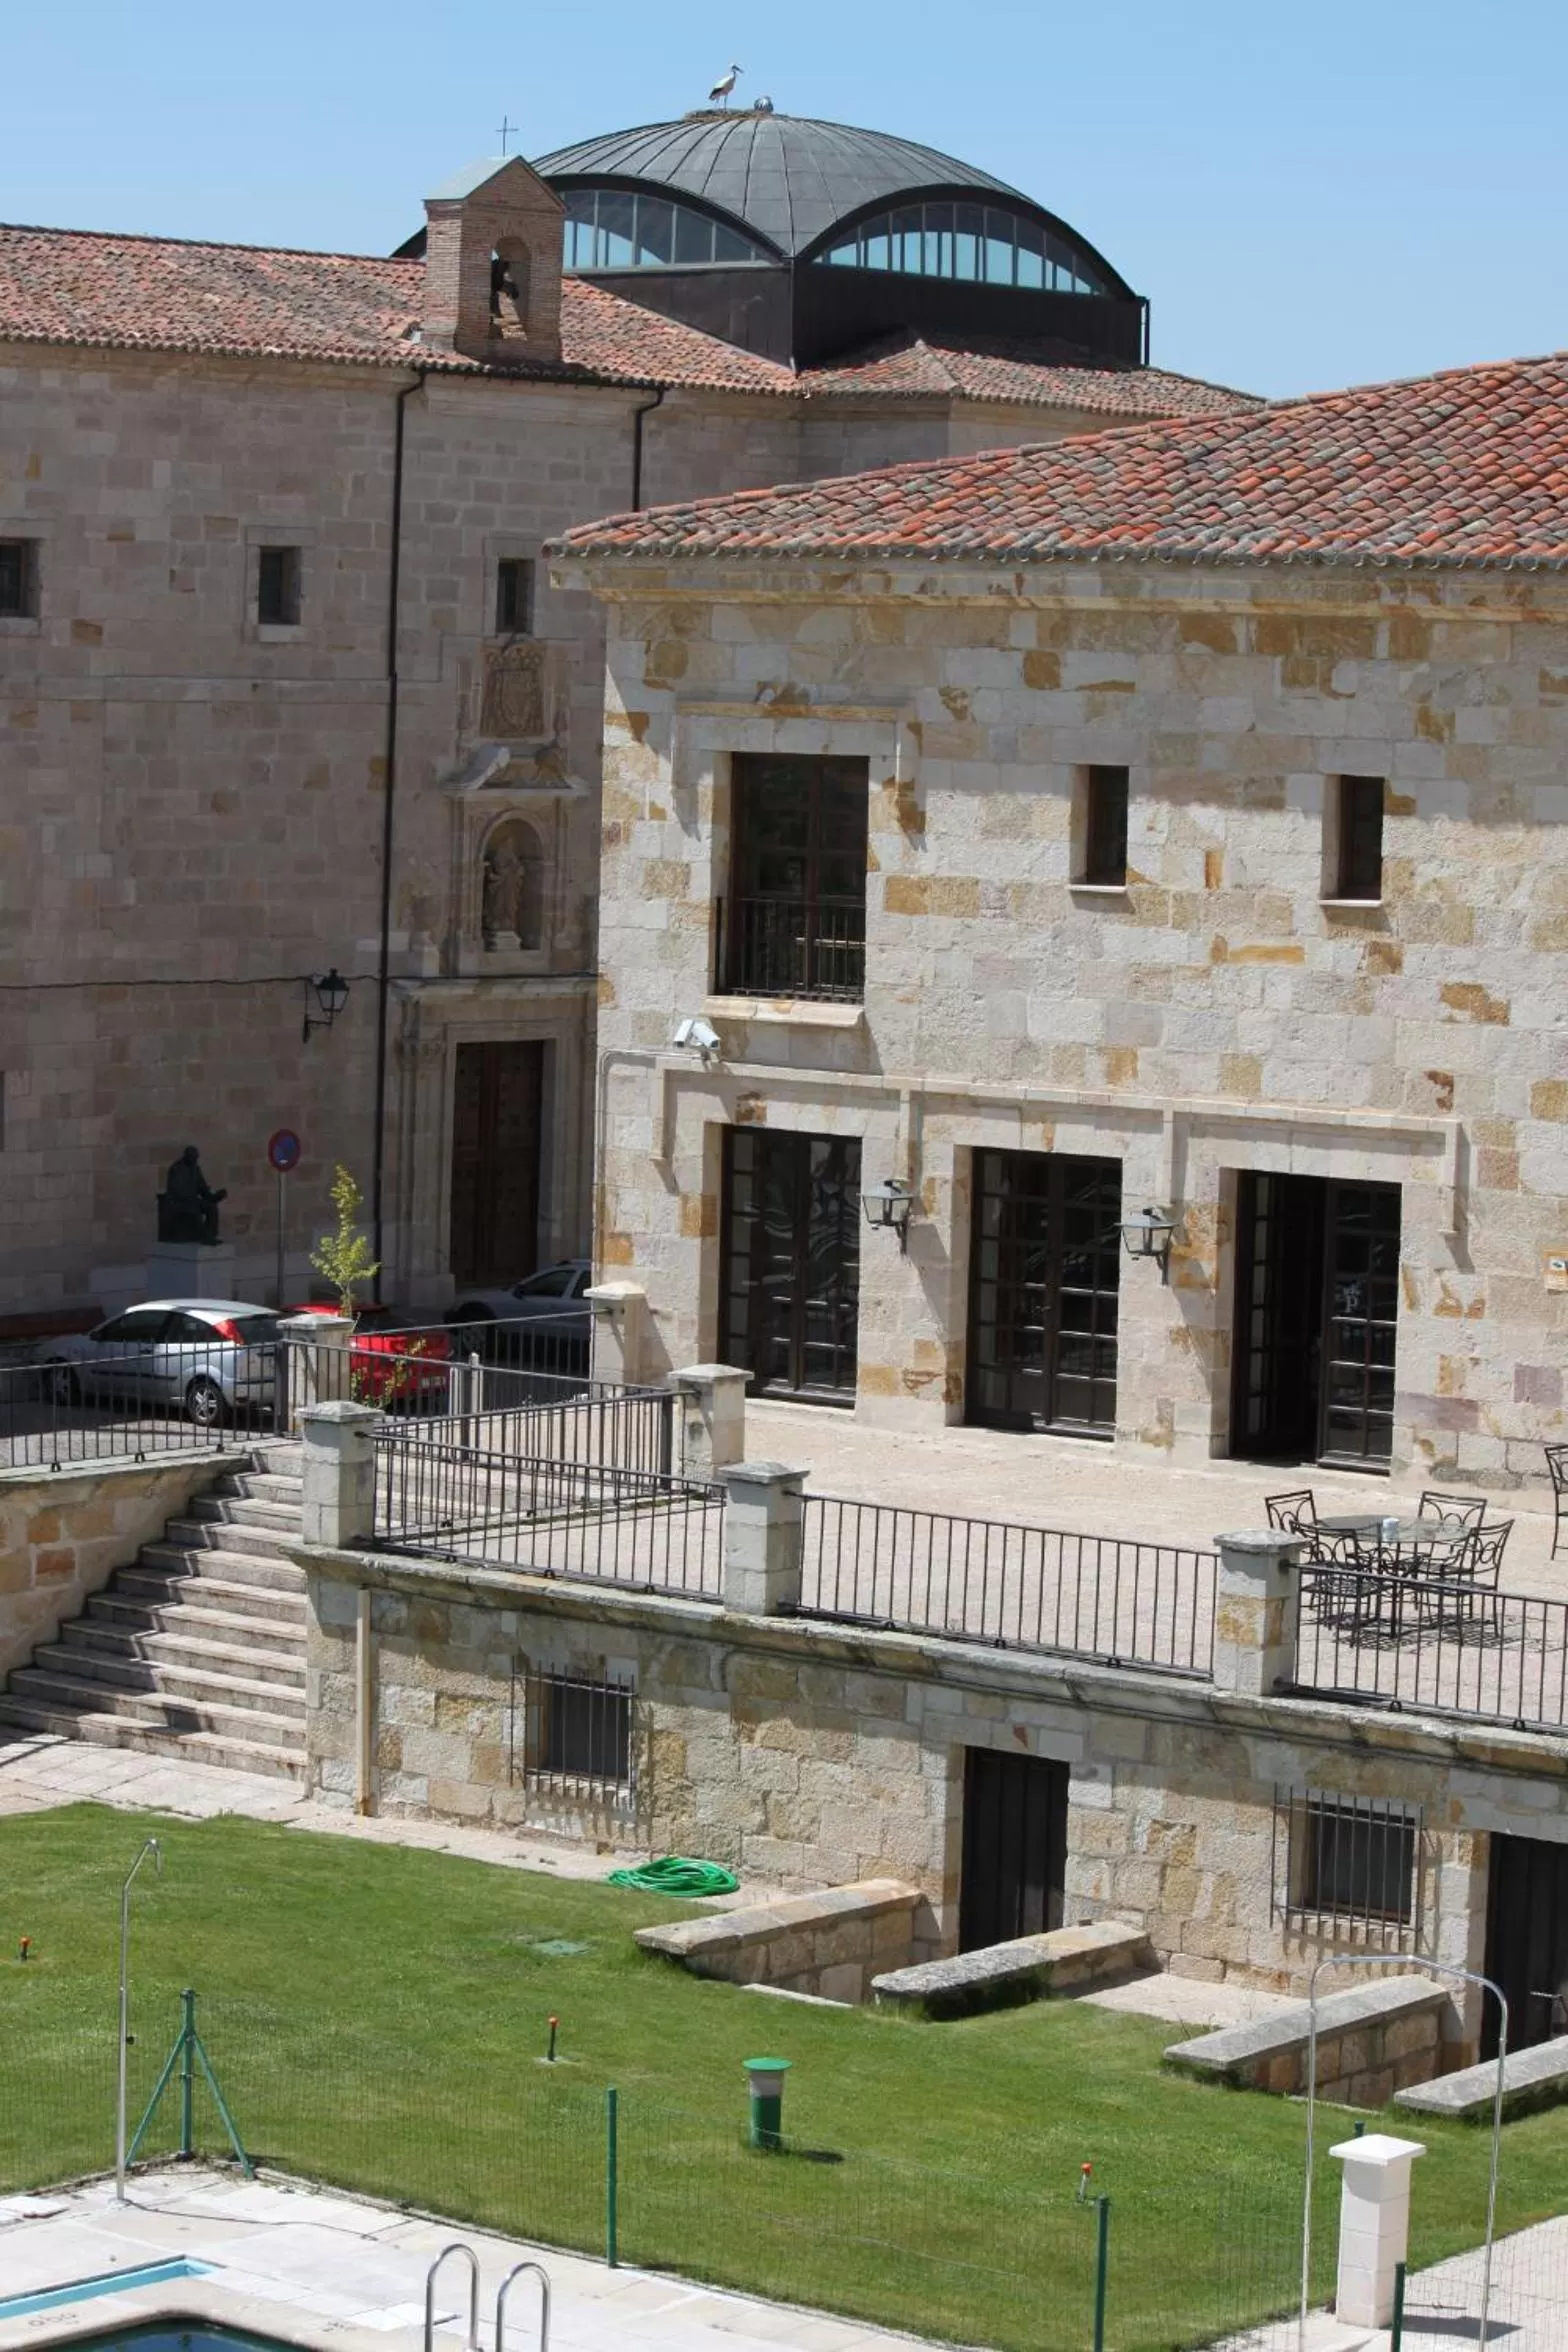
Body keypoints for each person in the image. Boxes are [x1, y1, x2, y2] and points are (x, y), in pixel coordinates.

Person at [159, 1145, 227, 1245]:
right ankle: (204, 1237)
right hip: (178, 1202)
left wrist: (214, 1197)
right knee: (193, 1209)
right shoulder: (177, 1169)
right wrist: (191, 1198)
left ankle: (210, 1236)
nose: (194, 1160)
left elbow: (202, 1187)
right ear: (186, 1157)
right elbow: (176, 1191)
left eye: (195, 1158)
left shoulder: (195, 1169)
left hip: (192, 1200)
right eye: (192, 1158)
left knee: (211, 1207)